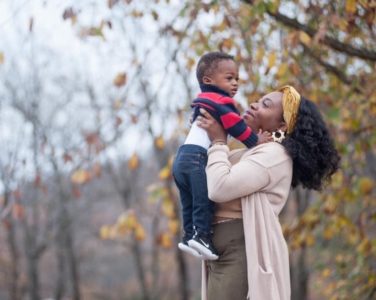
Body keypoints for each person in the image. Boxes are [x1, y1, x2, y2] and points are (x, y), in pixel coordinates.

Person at [196, 85, 340, 300]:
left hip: (239, 250)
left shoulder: (275, 155)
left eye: (266, 104)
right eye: (258, 100)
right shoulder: (253, 152)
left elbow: (219, 187)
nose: (254, 104)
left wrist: (218, 141)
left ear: (282, 124)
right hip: (221, 249)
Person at [172, 52, 270, 260]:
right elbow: (235, 126)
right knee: (204, 200)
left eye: (236, 79)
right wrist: (255, 141)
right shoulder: (221, 101)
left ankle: (189, 235)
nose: (235, 83)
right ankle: (202, 237)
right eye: (229, 78)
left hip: (181, 159)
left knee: (188, 202)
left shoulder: (202, 101)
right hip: (197, 158)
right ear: (208, 80)